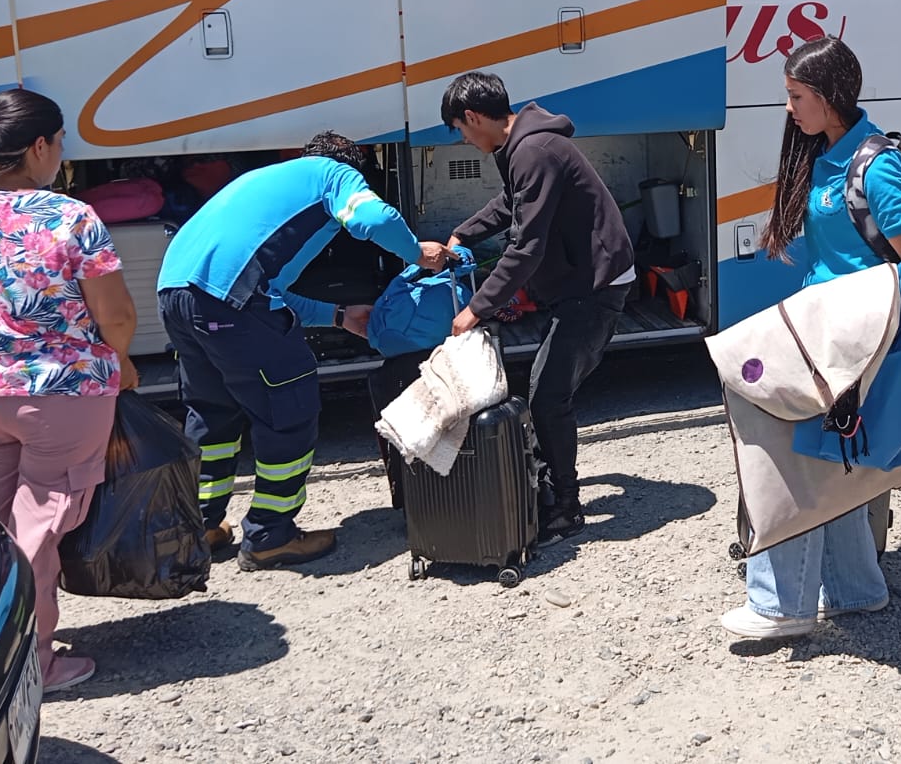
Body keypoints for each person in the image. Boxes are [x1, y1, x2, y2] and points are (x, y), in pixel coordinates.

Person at [718, 36, 901, 639]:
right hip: (827, 339)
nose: (788, 109)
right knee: (831, 463)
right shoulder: (830, 153)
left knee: (793, 461)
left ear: (827, 97)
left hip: (856, 345)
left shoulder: (877, 166)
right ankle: (854, 590)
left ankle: (779, 605)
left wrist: (848, 301)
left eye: (795, 96)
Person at [158, 131, 448, 571]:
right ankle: (270, 536)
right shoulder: (333, 174)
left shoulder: (268, 181)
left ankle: (200, 526)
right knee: (288, 408)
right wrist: (416, 253)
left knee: (212, 415)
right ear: (355, 166)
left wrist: (338, 315)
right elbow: (374, 218)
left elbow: (263, 291)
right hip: (229, 300)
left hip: (175, 295)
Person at [0, 90, 140, 694]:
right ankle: (26, 664)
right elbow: (118, 316)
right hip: (65, 395)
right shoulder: (70, 217)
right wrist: (122, 361)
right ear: (38, 146)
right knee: (37, 530)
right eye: (60, 143)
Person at [441, 71, 635, 545]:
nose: (465, 140)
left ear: (473, 117)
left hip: (596, 284)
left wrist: (477, 309)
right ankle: (553, 493)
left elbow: (525, 246)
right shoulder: (523, 148)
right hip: (580, 281)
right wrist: (464, 233)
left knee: (548, 395)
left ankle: (565, 510)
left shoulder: (533, 150)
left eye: (461, 130)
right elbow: (512, 204)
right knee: (547, 391)